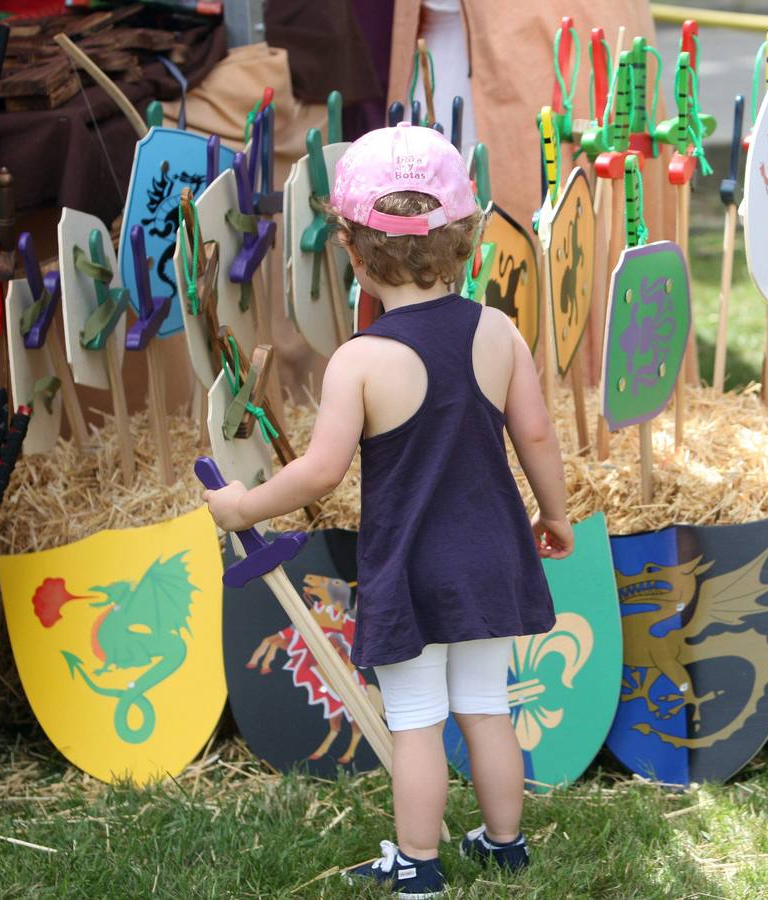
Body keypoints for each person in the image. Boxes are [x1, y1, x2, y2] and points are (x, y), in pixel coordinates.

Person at [204, 123, 573, 897]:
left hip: (412, 565)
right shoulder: (498, 332)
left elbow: (317, 473)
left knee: (414, 719)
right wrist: (556, 513)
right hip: (491, 554)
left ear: (353, 251)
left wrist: (243, 507)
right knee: (485, 706)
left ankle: (418, 863)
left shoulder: (361, 360)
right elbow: (536, 433)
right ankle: (504, 843)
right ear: (466, 238)